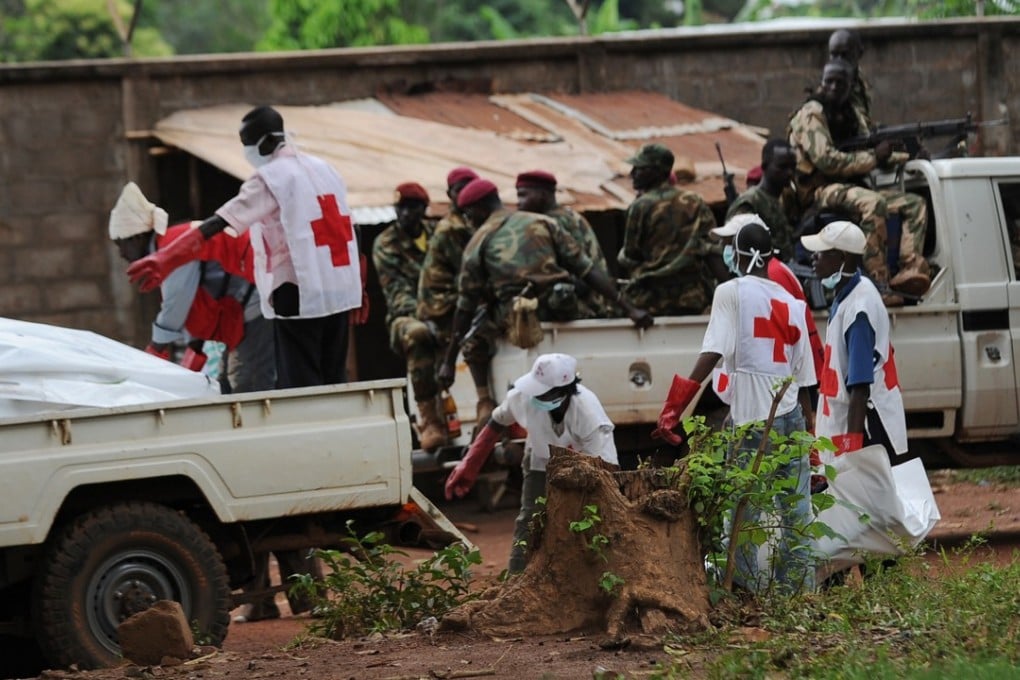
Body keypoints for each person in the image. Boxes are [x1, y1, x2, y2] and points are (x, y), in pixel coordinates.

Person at [125, 105, 364, 389]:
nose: (246, 151)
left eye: (246, 144)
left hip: (299, 294)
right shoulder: (326, 169)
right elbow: (353, 226)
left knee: (302, 383)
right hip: (340, 290)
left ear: (262, 142)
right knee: (335, 377)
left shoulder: (270, 179)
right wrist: (359, 281)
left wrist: (165, 257)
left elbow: (218, 223)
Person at [654, 221, 817, 593]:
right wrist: (810, 433)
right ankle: (798, 595)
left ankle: (741, 591)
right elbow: (804, 379)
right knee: (796, 510)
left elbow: (712, 352)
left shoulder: (730, 292)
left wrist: (675, 406)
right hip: (789, 414)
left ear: (741, 254)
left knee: (742, 511)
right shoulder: (794, 303)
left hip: (751, 421)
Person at [437, 179, 652, 416]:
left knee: (472, 338)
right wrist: (629, 308)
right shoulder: (543, 222)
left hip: (516, 315)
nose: (469, 220)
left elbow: (465, 306)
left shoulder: (477, 242)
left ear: (478, 209)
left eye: (469, 214)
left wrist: (449, 362)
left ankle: (485, 403)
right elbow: (587, 269)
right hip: (561, 307)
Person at [445, 353, 619, 573]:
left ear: (563, 391)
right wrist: (469, 465)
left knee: (592, 516)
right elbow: (497, 421)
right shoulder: (522, 397)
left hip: (589, 464)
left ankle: (602, 574)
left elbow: (604, 472)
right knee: (529, 519)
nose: (534, 396)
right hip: (540, 456)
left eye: (542, 392)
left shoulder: (588, 414)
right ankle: (516, 579)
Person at [788, 59, 930, 306]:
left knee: (914, 204)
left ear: (851, 87)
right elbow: (827, 161)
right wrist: (875, 157)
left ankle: (909, 268)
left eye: (839, 83)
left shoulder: (852, 114)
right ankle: (880, 282)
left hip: (851, 186)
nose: (832, 87)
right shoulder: (812, 112)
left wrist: (907, 155)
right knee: (873, 203)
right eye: (828, 81)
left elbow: (874, 148)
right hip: (820, 190)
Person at [108, 182, 275, 393]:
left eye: (120, 244)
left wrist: (152, 354)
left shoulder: (172, 246)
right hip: (245, 307)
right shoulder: (169, 246)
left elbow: (176, 306)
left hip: (257, 302)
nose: (121, 253)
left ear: (137, 237)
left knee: (248, 386)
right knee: (223, 386)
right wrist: (194, 342)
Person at [799, 220, 908, 466]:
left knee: (869, 500)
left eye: (822, 252)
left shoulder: (859, 311)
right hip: (850, 424)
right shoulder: (852, 291)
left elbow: (860, 389)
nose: (814, 258)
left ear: (843, 257)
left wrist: (853, 449)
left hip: (866, 427)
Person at [417, 167, 500, 424]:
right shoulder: (454, 228)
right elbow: (470, 277)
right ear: (450, 194)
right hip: (442, 303)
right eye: (460, 188)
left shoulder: (469, 222)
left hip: (454, 294)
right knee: (483, 319)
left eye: (470, 186)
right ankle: (483, 398)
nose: (465, 191)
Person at [372, 182, 445, 450]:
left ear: (424, 209)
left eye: (411, 208)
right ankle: (430, 420)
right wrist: (428, 317)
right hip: (407, 316)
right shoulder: (387, 243)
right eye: (400, 208)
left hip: (444, 311)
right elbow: (397, 293)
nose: (404, 214)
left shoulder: (438, 234)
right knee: (418, 334)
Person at [710, 214, 824, 382]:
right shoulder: (767, 273)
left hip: (792, 376)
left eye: (729, 242)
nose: (725, 248)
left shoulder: (771, 276)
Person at [618, 143, 718, 316]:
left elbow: (631, 255)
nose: (632, 173)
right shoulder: (695, 201)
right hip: (692, 297)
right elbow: (711, 246)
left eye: (640, 168)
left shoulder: (640, 206)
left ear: (657, 171)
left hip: (651, 298)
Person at [514, 169, 616, 317]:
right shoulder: (569, 215)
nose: (518, 203)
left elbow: (577, 271)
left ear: (542, 195)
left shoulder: (552, 222)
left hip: (585, 303)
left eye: (523, 195)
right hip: (595, 299)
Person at [725, 140, 802, 261]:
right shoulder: (750, 201)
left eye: (793, 167)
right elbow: (741, 248)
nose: (790, 173)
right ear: (765, 167)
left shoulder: (781, 200)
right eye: (782, 167)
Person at [828, 28, 871, 130]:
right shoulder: (828, 88)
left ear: (859, 53)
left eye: (844, 55)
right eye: (834, 55)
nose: (839, 61)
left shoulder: (860, 83)